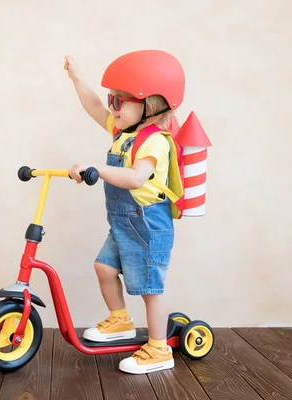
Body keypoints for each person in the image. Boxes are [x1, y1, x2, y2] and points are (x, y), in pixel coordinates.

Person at [64, 50, 185, 374]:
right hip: (123, 222)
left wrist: (97, 169)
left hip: (147, 223)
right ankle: (120, 320)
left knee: (149, 288)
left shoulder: (153, 141)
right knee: (104, 267)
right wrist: (76, 77)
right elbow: (93, 107)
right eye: (111, 99)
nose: (111, 107)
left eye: (119, 101)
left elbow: (135, 178)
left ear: (151, 105)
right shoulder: (123, 134)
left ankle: (159, 349)